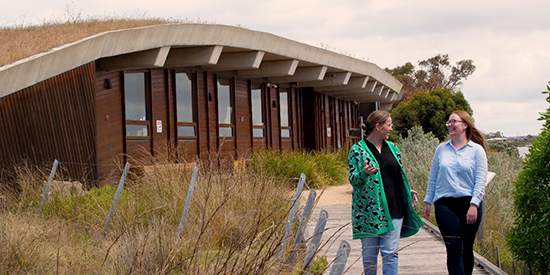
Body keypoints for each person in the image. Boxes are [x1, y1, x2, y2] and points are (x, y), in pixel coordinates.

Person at [348, 110, 423, 275]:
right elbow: (353, 179)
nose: (391, 128)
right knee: (369, 255)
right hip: (369, 212)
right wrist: (364, 173)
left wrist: (407, 192)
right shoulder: (357, 150)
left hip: (394, 208)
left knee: (390, 254)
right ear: (378, 126)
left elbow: (395, 177)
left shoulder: (393, 149)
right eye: (388, 125)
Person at [423, 110, 488, 275]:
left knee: (466, 248)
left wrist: (474, 204)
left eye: (453, 121)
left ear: (464, 125)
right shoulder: (441, 150)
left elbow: (480, 181)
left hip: (469, 203)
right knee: (453, 248)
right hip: (445, 203)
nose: (450, 125)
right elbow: (434, 177)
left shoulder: (477, 150)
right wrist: (428, 201)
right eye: (448, 122)